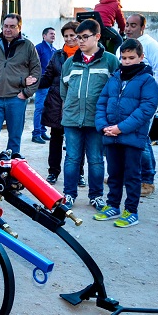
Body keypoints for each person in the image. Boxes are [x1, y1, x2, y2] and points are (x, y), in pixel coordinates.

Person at [93, 38, 158, 228]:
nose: (127, 61)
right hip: (111, 135)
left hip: (132, 137)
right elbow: (101, 103)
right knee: (114, 173)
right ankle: (113, 205)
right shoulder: (114, 78)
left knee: (132, 175)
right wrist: (103, 126)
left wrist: (120, 128)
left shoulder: (148, 81)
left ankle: (131, 211)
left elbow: (146, 110)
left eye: (131, 58)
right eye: (124, 58)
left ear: (141, 57)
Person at [59, 18, 119, 210]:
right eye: (78, 37)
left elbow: (116, 90)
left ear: (97, 36)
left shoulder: (110, 61)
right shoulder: (70, 63)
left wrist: (107, 116)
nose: (80, 41)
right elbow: (64, 90)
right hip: (72, 119)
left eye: (85, 37)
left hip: (97, 120)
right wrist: (71, 108)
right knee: (72, 159)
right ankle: (69, 194)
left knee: (95, 160)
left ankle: (96, 196)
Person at [0, 13, 41, 158]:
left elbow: (36, 71)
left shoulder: (28, 46)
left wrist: (26, 93)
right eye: (5, 26)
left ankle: (10, 165)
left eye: (12, 26)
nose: (8, 29)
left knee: (14, 136)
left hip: (16, 98)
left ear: (19, 27)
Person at [122, 14, 158, 197]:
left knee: (141, 140)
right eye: (127, 24)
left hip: (143, 103)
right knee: (125, 139)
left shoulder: (151, 46)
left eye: (133, 25)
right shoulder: (123, 46)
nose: (128, 28)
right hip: (125, 103)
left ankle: (147, 180)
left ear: (142, 27)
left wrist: (151, 99)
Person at [39, 21, 85, 185]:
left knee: (77, 141)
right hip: (57, 104)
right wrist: (31, 81)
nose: (69, 38)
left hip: (77, 104)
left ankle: (78, 173)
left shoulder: (85, 56)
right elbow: (47, 78)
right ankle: (53, 172)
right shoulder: (57, 56)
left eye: (72, 35)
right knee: (56, 139)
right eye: (66, 36)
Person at [31, 27, 57, 144]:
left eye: (54, 34)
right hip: (42, 83)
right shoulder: (38, 48)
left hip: (51, 83)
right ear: (44, 35)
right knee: (40, 108)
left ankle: (42, 131)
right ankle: (36, 133)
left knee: (46, 108)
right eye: (51, 34)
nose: (53, 36)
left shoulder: (54, 50)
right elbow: (34, 64)